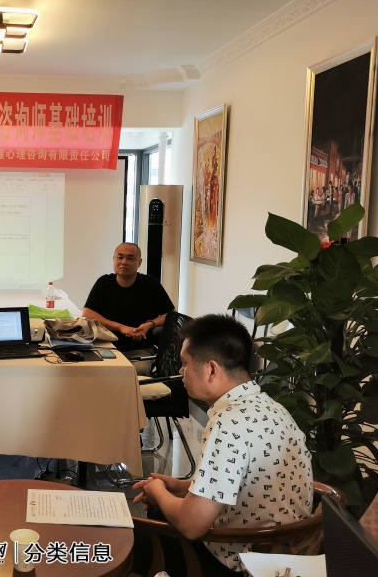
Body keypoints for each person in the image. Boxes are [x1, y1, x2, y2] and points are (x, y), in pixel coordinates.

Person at [132, 314, 313, 574]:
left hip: (245, 563)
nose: (181, 372)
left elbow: (192, 526)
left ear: (211, 369)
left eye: (184, 363)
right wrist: (181, 487)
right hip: (285, 554)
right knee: (161, 509)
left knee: (133, 540)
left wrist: (157, 490)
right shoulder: (272, 407)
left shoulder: (228, 424)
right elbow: (237, 482)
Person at [82, 242, 174, 372]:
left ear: (139, 262)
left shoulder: (150, 284)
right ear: (113, 259)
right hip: (106, 346)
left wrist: (151, 324)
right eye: (120, 257)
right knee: (93, 372)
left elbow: (171, 314)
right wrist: (121, 327)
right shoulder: (104, 282)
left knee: (137, 372)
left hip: (139, 349)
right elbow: (87, 313)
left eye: (130, 258)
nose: (124, 262)